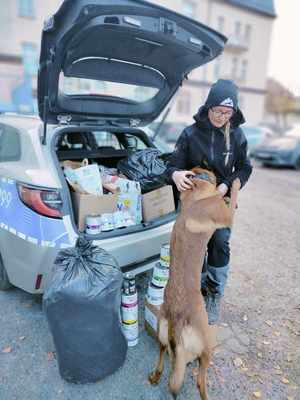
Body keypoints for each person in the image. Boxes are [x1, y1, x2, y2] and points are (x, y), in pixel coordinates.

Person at [166, 79, 253, 325]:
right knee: (195, 246)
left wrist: (228, 184)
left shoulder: (237, 134)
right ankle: (199, 287)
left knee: (220, 243)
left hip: (221, 200)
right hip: (195, 202)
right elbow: (172, 164)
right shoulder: (190, 134)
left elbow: (245, 167)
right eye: (218, 111)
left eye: (228, 112)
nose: (222, 117)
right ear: (208, 107)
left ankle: (214, 293)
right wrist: (175, 174)